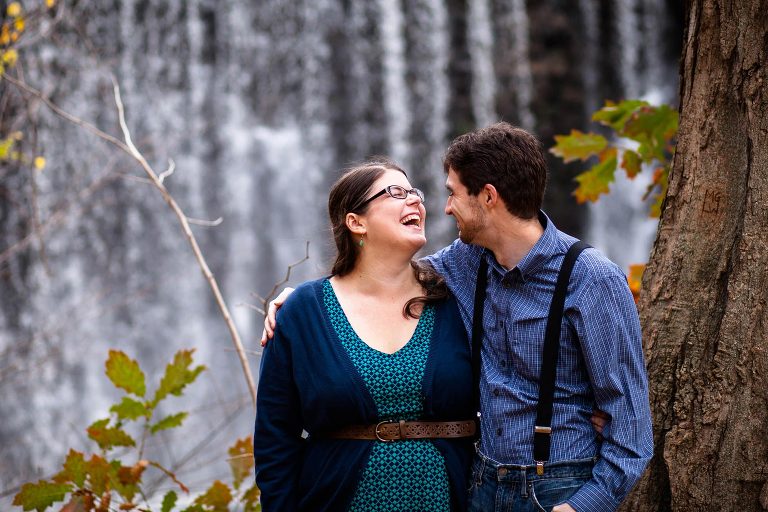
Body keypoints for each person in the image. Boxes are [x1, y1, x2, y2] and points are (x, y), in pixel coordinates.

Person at [262, 123, 653, 512]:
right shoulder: (464, 266)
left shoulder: (592, 279)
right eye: (398, 193)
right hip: (481, 486)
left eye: (451, 194)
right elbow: (381, 277)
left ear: (488, 197)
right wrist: (303, 300)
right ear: (355, 221)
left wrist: (583, 507)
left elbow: (631, 430)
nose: (444, 207)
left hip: (559, 488)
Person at [253, 159, 477, 512]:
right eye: (396, 192)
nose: (416, 201)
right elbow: (274, 439)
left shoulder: (458, 297)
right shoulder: (303, 312)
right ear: (356, 222)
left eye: (415, 193)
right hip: (333, 498)